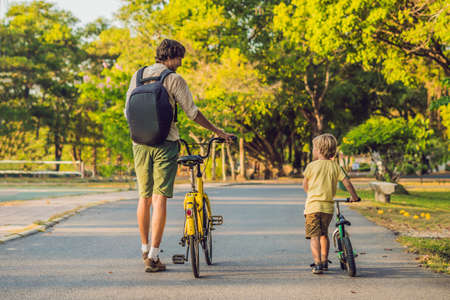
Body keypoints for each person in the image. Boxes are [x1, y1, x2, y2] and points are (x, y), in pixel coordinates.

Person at [125, 39, 234, 273]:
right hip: (166, 143)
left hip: (139, 143)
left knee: (143, 198)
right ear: (172, 57)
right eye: (180, 58)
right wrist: (218, 132)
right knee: (159, 197)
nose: (181, 63)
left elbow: (128, 111)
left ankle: (144, 249)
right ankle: (153, 256)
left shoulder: (138, 75)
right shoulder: (174, 79)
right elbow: (193, 113)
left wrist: (142, 133)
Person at [302, 133, 360, 274]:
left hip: (312, 207)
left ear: (319, 150)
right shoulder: (335, 167)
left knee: (314, 236)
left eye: (314, 148)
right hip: (328, 208)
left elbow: (305, 185)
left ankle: (317, 264)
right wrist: (354, 197)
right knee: (323, 234)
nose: (313, 151)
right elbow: (347, 183)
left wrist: (312, 194)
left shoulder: (311, 166)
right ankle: (324, 260)